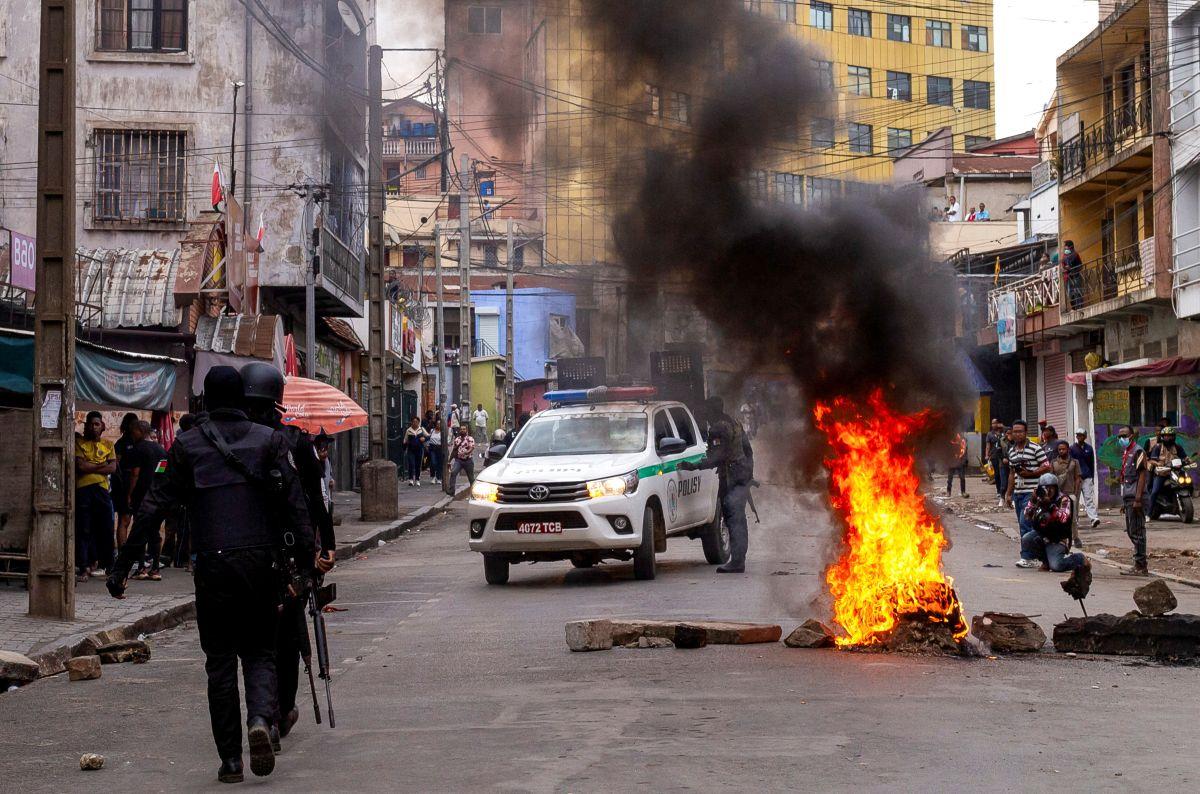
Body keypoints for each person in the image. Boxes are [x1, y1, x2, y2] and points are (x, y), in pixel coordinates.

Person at [108, 367, 315, 783]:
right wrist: (307, 566)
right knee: (259, 652)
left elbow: (153, 508)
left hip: (213, 565)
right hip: (261, 563)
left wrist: (122, 566)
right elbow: (297, 506)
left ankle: (231, 762)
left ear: (204, 399)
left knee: (220, 663)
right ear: (243, 398)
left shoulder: (186, 446)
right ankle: (259, 718)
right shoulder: (270, 440)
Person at [239, 362, 335, 751]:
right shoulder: (293, 441)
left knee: (254, 642)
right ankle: (279, 711)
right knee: (289, 637)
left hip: (243, 554)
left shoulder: (229, 437)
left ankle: (261, 712)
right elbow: (314, 501)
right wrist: (322, 548)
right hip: (290, 555)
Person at [679, 396, 753, 573]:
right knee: (739, 518)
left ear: (711, 410)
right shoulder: (735, 423)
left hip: (730, 478)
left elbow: (717, 456)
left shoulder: (718, 428)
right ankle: (739, 559)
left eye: (706, 410)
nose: (703, 414)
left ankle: (737, 562)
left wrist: (693, 466)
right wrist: (749, 473)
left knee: (733, 518)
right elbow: (748, 450)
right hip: (741, 476)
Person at [75, 411, 117, 581]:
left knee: (106, 528)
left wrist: (91, 465)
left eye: (97, 424)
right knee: (84, 529)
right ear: (86, 426)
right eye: (91, 424)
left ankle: (108, 566)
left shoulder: (109, 444)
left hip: (102, 490)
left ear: (103, 426)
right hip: (84, 490)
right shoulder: (79, 443)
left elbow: (112, 468)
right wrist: (101, 465)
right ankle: (84, 567)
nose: (94, 427)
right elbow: (81, 467)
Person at [1020, 473, 1091, 573]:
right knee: (1026, 539)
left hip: (1058, 538)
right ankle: (1045, 562)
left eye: (1051, 488)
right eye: (1045, 488)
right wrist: (1033, 501)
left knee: (1057, 566)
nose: (1048, 491)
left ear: (1056, 488)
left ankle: (1079, 559)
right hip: (1043, 535)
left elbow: (1063, 518)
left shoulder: (1064, 499)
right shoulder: (1039, 499)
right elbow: (1027, 516)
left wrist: (1050, 505)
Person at [1005, 419, 1052, 568]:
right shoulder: (1012, 451)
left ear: (1026, 433)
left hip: (1031, 493)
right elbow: (1012, 474)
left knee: (1026, 523)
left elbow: (1046, 466)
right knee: (1023, 524)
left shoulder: (1035, 448)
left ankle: (1027, 557)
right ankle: (1037, 554)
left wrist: (1031, 474)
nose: (1017, 434)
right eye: (1014, 432)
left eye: (1020, 431)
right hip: (1018, 493)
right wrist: (1008, 493)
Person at [128, 420, 169, 580]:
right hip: (158, 497)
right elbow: (162, 471)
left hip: (142, 496)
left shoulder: (138, 449)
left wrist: (130, 494)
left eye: (133, 431)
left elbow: (135, 474)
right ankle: (155, 569)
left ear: (139, 431)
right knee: (155, 532)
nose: (132, 435)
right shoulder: (161, 450)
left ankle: (141, 568)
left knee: (140, 531)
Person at [1116, 424, 1150, 576]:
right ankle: (1138, 563)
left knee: (1137, 531)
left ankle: (1141, 565)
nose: (1121, 438)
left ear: (1131, 436)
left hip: (1136, 497)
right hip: (1128, 497)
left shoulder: (1138, 451)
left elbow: (1142, 475)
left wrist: (1138, 498)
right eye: (1119, 436)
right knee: (1131, 531)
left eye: (1124, 435)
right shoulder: (1126, 452)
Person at [112, 412, 141, 552]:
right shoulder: (122, 444)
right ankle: (123, 553)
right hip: (125, 487)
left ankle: (132, 555)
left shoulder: (139, 444)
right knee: (125, 520)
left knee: (133, 521)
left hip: (133, 487)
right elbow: (116, 465)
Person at [1147, 425, 1190, 518]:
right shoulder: (1158, 447)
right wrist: (1157, 464)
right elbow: (1151, 460)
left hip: (1176, 472)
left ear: (1173, 437)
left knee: (1187, 483)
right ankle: (1148, 514)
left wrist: (1188, 460)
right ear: (1162, 437)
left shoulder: (1178, 447)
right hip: (1162, 474)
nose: (1168, 437)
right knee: (1154, 492)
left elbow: (1185, 457)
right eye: (1166, 436)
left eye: (1170, 435)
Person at [1050, 440, 1083, 549]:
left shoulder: (1074, 462)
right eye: (1059, 449)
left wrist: (1076, 493)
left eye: (1063, 449)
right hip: (1058, 495)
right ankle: (1060, 538)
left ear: (1068, 449)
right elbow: (1051, 479)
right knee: (1058, 517)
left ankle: (1075, 537)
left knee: (1073, 517)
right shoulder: (1054, 463)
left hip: (1071, 493)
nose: (1061, 451)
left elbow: (1078, 478)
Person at [1070, 428, 1101, 528]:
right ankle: (1075, 521)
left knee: (1088, 498)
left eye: (1081, 435)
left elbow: (1091, 463)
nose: (1079, 437)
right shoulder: (1072, 448)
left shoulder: (1089, 448)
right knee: (1075, 500)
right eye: (1078, 435)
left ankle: (1094, 518)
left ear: (1085, 437)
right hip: (1076, 478)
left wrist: (1091, 476)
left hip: (1087, 476)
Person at [985, 419, 1008, 507]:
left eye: (995, 423)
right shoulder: (990, 434)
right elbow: (988, 446)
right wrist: (987, 455)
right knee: (997, 475)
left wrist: (1003, 426)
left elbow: (1010, 432)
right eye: (992, 423)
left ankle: (1004, 491)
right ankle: (999, 491)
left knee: (1004, 474)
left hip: (1003, 456)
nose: (993, 425)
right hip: (994, 456)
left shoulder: (1003, 432)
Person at [447, 425, 477, 492]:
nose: (462, 430)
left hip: (468, 460)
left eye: (464, 429)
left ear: (466, 430)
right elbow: (454, 451)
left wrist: (466, 452)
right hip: (459, 460)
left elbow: (472, 448)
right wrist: (449, 461)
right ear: (459, 430)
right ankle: (451, 491)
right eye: (461, 429)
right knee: (453, 472)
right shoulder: (457, 440)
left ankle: (474, 492)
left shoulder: (470, 439)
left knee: (471, 478)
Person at [402, 416, 429, 487]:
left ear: (418, 422)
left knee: (418, 464)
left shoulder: (421, 429)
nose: (415, 423)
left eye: (416, 422)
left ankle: (417, 479)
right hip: (411, 450)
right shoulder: (408, 430)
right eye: (413, 422)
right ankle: (411, 479)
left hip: (419, 449)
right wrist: (405, 448)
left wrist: (424, 438)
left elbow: (428, 436)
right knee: (411, 464)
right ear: (411, 422)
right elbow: (405, 440)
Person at [1062, 240, 1084, 310]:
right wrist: (1065, 268)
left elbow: (1080, 265)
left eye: (1065, 246)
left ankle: (1079, 307)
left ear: (1069, 247)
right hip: (1068, 277)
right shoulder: (1064, 256)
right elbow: (1063, 265)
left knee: (1078, 291)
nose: (1064, 248)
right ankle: (1074, 308)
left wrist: (1072, 268)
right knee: (1070, 293)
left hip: (1076, 275)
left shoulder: (1075, 254)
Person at [946, 432, 968, 498]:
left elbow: (964, 452)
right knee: (950, 478)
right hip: (952, 462)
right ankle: (948, 491)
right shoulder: (950, 442)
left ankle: (963, 492)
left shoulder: (963, 441)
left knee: (962, 477)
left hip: (960, 462)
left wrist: (964, 461)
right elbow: (946, 452)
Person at [427, 418, 445, 484]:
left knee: (439, 463)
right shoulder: (432, 431)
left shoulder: (443, 432)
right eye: (437, 424)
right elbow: (428, 438)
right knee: (433, 462)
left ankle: (438, 477)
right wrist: (427, 446)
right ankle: (433, 476)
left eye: (440, 424)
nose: (438, 425)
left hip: (439, 448)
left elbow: (446, 441)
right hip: (432, 448)